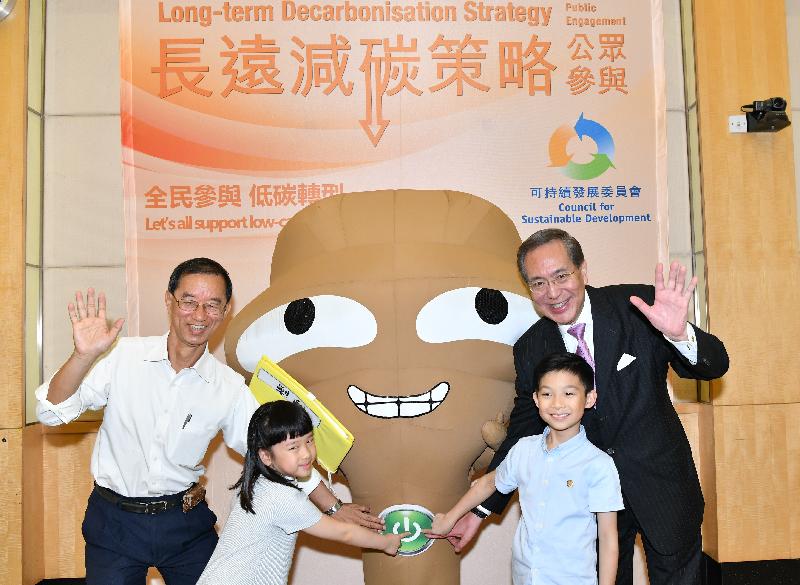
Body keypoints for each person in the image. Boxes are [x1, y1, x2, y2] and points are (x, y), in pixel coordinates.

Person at [35, 257, 381, 585]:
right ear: (169, 301)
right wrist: (82, 357)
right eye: (188, 301)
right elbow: (51, 412)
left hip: (184, 522)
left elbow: (278, 452)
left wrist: (333, 506)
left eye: (213, 304)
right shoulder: (123, 357)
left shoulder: (228, 387)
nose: (199, 315)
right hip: (114, 522)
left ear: (225, 311)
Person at [445, 229, 729, 585]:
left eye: (561, 276)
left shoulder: (637, 308)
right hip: (587, 508)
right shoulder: (532, 348)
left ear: (583, 270)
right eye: (538, 283)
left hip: (663, 489)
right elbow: (523, 428)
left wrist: (677, 335)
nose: (553, 293)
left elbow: (715, 366)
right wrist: (481, 510)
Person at [426, 353, 623, 585]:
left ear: (589, 398)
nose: (558, 404)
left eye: (569, 393)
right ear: (536, 400)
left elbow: (609, 538)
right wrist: (450, 518)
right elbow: (489, 482)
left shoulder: (598, 465)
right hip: (525, 577)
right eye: (547, 394)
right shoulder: (523, 450)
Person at [198, 400, 405, 584]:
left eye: (309, 440)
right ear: (266, 456)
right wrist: (386, 543)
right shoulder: (283, 498)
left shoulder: (256, 483)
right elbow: (345, 532)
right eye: (293, 447)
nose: (306, 453)